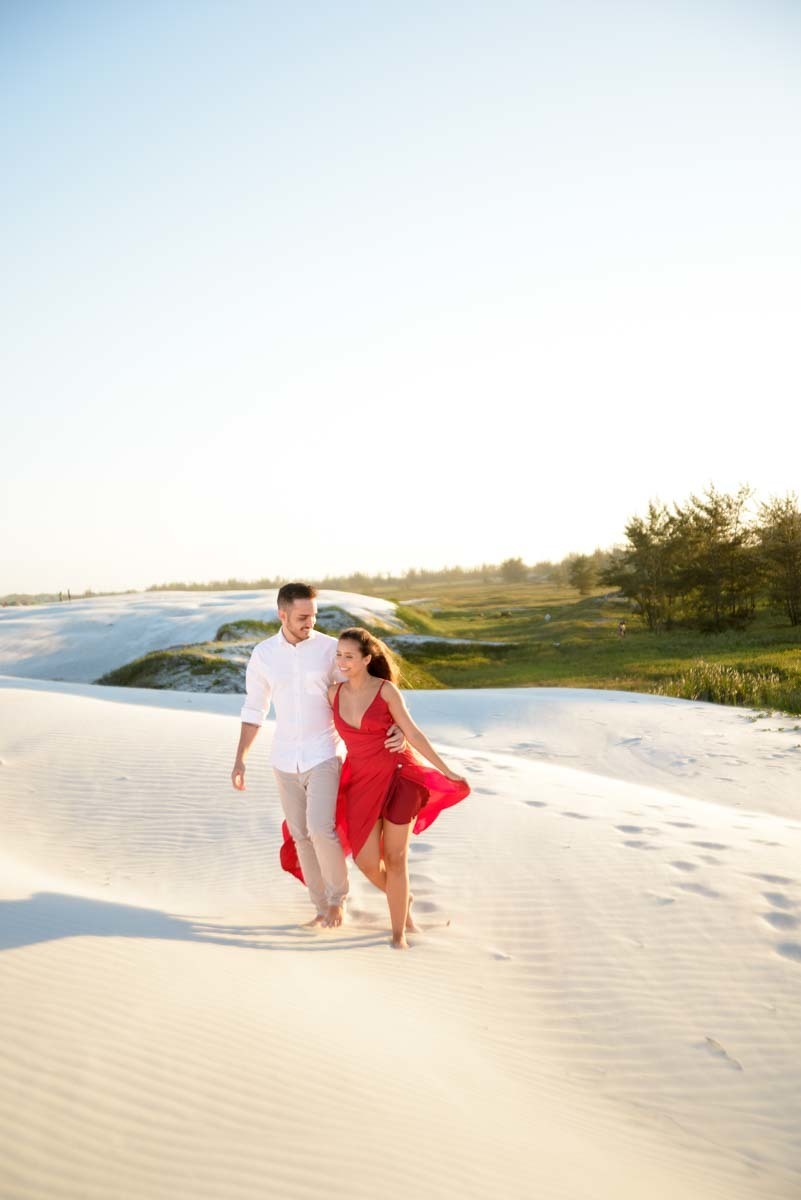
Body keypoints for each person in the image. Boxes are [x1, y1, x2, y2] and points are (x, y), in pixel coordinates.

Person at [231, 584, 404, 928]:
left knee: (321, 829)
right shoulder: (264, 655)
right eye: (302, 616)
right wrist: (240, 759)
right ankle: (321, 905)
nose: (310, 621)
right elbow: (254, 709)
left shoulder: (329, 649)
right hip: (283, 759)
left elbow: (363, 686)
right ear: (282, 614)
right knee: (300, 836)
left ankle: (338, 899)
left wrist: (397, 724)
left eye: (314, 615)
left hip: (325, 752)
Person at [327, 627, 469, 950]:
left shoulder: (386, 691)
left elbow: (414, 734)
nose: (342, 662)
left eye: (349, 656)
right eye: (338, 655)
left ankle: (398, 933)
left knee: (395, 857)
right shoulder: (332, 694)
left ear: (366, 659)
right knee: (365, 861)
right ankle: (401, 895)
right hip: (362, 781)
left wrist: (445, 770)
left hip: (399, 775)